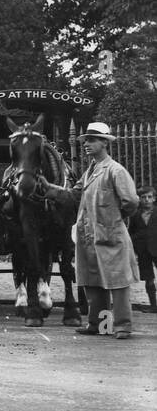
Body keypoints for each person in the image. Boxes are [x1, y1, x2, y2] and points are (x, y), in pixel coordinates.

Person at [43, 122, 140, 339]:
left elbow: (131, 201)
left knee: (117, 281)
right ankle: (100, 325)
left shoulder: (115, 170)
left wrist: (115, 220)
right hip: (89, 237)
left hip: (110, 235)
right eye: (85, 140)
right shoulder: (89, 172)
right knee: (94, 281)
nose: (86, 144)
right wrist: (48, 188)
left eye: (92, 140)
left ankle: (123, 326)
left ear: (105, 143)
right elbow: (73, 195)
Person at [129, 185, 157, 313]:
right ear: (139, 199)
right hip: (143, 251)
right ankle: (153, 305)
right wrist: (136, 243)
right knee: (148, 278)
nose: (146, 200)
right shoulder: (135, 215)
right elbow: (131, 232)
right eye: (143, 197)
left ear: (154, 198)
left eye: (149, 197)